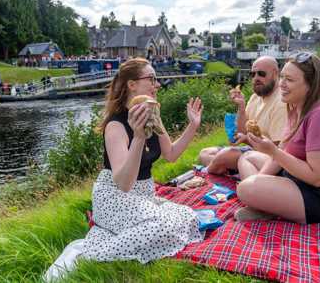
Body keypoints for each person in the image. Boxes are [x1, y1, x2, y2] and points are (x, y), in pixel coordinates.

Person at [45, 58, 204, 281]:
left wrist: (193, 125)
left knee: (186, 216)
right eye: (151, 79)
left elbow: (171, 155)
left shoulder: (153, 115)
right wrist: (138, 138)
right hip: (115, 196)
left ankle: (115, 236)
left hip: (143, 196)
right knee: (161, 226)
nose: (157, 85)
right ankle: (88, 252)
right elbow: (124, 183)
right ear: (132, 84)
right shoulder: (115, 126)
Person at [234, 52, 320, 223]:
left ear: (311, 85)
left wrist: (273, 152)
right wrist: (260, 181)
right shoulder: (296, 104)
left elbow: (318, 178)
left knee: (245, 188)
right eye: (282, 77)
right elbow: (284, 148)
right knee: (247, 157)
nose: (281, 84)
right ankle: (267, 205)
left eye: (289, 80)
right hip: (301, 178)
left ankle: (268, 204)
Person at [198, 56, 287, 175]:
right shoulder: (256, 97)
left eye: (261, 74)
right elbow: (242, 131)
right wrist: (241, 106)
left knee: (224, 155)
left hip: (267, 158)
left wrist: (246, 140)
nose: (256, 78)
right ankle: (233, 170)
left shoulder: (281, 102)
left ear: (275, 73)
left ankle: (216, 170)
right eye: (253, 74)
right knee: (205, 153)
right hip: (252, 149)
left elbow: (275, 150)